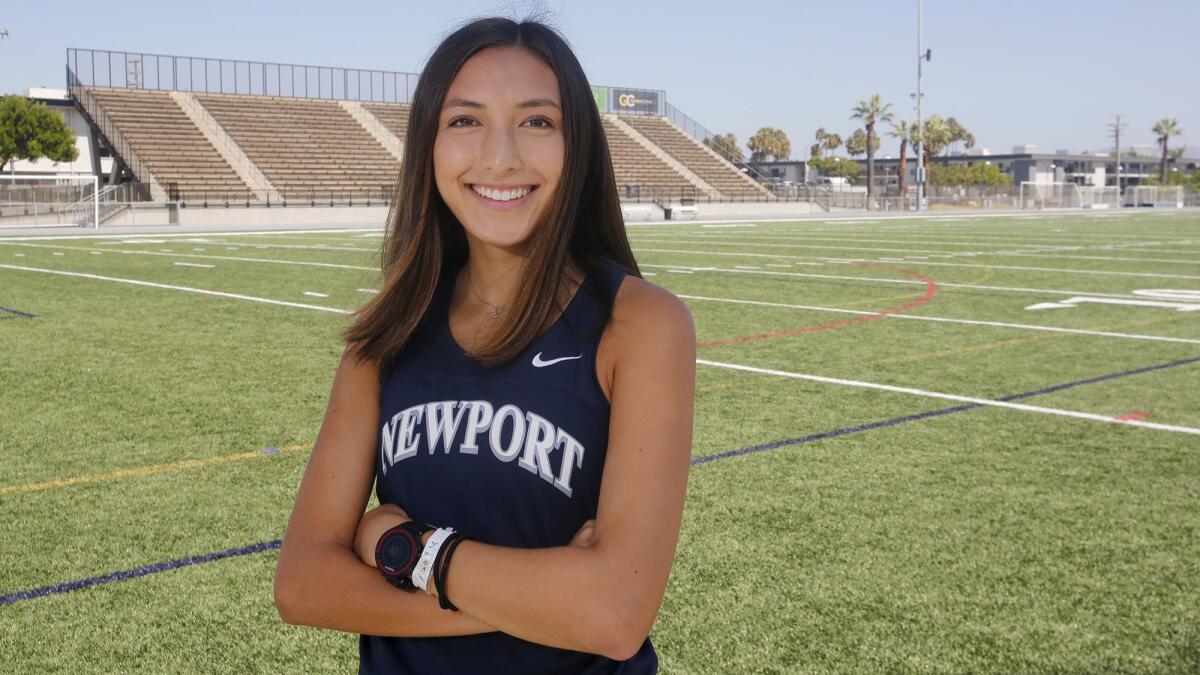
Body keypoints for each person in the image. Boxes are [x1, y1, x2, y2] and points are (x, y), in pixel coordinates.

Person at [274, 16, 695, 674]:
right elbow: (301, 583)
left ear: (577, 145)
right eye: (465, 121)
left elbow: (614, 614)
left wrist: (408, 552)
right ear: (429, 147)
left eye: (537, 121)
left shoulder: (641, 324)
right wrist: (550, 598)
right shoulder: (383, 337)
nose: (500, 157)